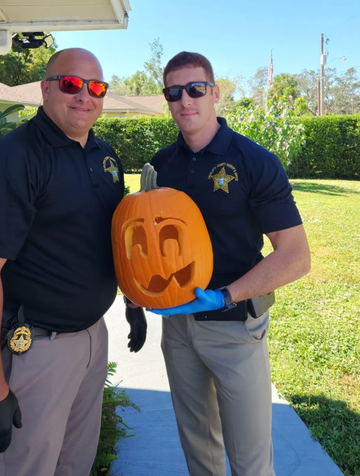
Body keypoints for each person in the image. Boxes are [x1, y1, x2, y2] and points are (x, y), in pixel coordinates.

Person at [0, 47, 146, 476]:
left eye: (96, 87)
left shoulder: (105, 155)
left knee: (74, 465)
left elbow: (113, 240)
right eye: (72, 84)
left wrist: (133, 300)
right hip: (34, 349)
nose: (85, 95)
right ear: (45, 89)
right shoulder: (12, 158)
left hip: (92, 338)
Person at [146, 51, 311, 476]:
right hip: (177, 326)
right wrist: (134, 300)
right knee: (198, 448)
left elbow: (295, 256)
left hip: (236, 327)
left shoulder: (254, 161)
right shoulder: (161, 166)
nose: (185, 99)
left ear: (215, 93)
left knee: (250, 459)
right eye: (174, 92)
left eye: (195, 89)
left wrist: (224, 296)